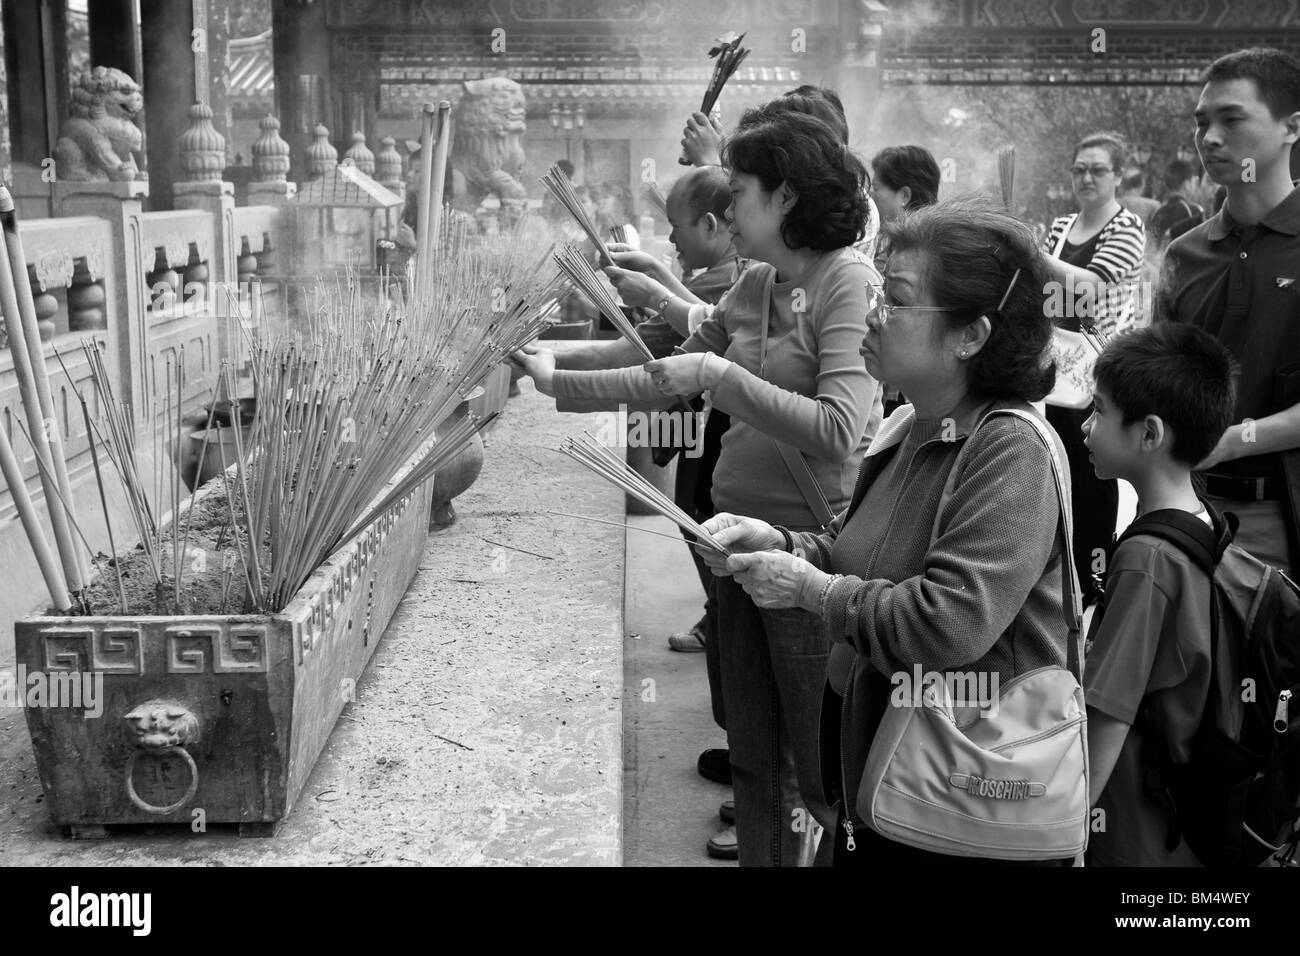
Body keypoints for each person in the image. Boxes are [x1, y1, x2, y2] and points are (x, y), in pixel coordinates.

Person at [518, 109, 882, 866]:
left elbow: (839, 427)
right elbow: (667, 372)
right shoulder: (755, 282)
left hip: (808, 557)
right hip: (731, 545)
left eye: (741, 189)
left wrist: (722, 377)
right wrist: (559, 383)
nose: (729, 208)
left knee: (818, 774)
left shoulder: (847, 280)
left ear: (784, 198)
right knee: (753, 755)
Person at [696, 196, 1075, 867]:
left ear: (971, 335)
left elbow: (947, 625)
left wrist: (813, 591)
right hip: (889, 778)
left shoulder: (1008, 450)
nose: (872, 315)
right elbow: (854, 550)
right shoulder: (912, 425)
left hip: (967, 798)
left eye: (896, 300)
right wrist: (782, 544)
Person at [1081, 323, 1238, 865]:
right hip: (1184, 831)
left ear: (1150, 434)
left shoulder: (1147, 562)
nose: (1084, 425)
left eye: (1098, 410)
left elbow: (1106, 716)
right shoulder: (1203, 522)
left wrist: (1066, 834)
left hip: (1132, 837)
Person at [1156, 46, 1300, 579]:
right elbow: (1164, 378)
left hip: (1280, 519)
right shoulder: (1183, 254)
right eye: (1201, 123)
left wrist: (1235, 439)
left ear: (1292, 127)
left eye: (1232, 119)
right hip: (1184, 514)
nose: (1209, 138)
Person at [1042, 131, 1148, 605]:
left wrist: (1031, 253)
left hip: (1100, 374)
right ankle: (1057, 579)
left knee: (1094, 474)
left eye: (1098, 169)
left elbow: (1090, 288)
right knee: (1056, 467)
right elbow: (1040, 287)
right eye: (1079, 169)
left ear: (1118, 176)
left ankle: (1092, 585)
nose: (1086, 177)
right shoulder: (1061, 226)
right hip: (1057, 372)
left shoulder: (1127, 228)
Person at [680, 85, 881, 261]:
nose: (729, 212)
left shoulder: (848, 212)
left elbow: (736, 249)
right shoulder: (765, 277)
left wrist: (712, 169)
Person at [1150, 159, 1206, 246]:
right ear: (1186, 184)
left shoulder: (1158, 212)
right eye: (1193, 182)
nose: (1195, 186)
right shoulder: (1194, 210)